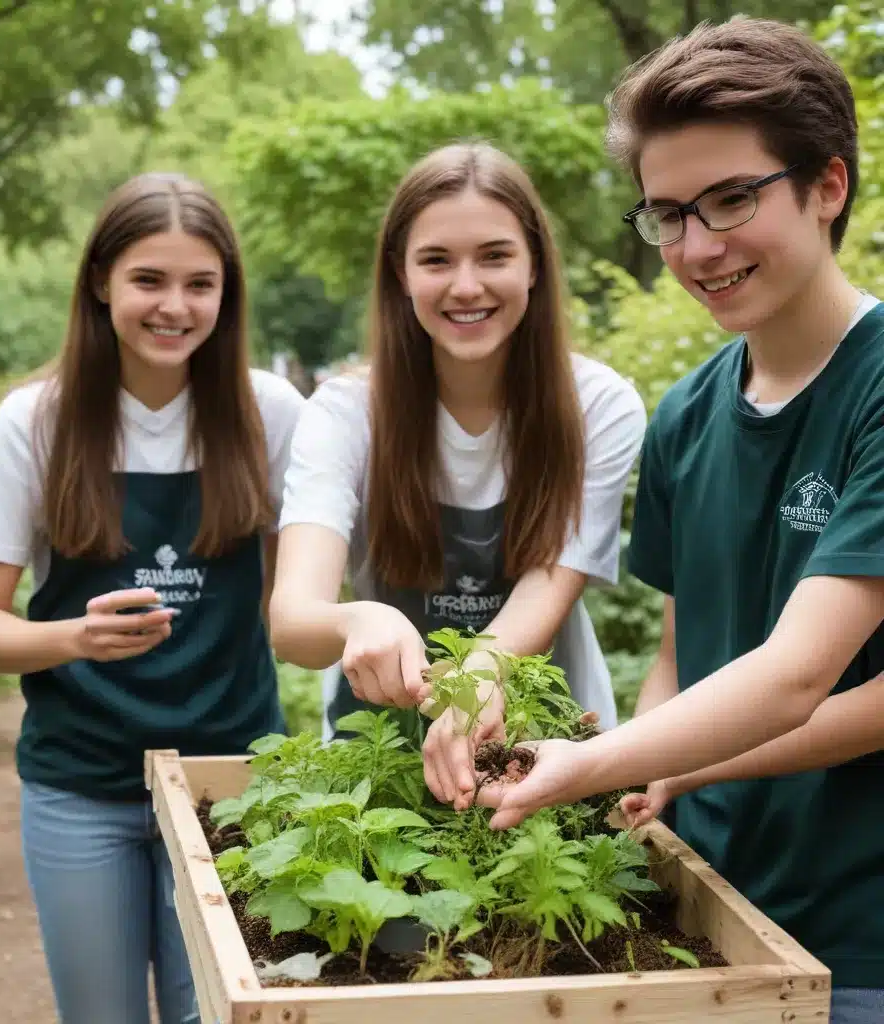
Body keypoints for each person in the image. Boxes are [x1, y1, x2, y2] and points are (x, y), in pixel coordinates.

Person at [464, 18, 884, 1021]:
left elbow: (804, 676)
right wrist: (649, 771)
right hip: (711, 906)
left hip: (860, 937)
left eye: (732, 199)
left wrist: (624, 758)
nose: (698, 247)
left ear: (827, 186)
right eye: (667, 214)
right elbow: (680, 648)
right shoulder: (688, 412)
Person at [0, 173, 304, 1024]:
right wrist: (75, 638)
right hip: (82, 784)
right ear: (101, 281)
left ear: (227, 291)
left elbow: (297, 606)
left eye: (200, 284)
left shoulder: (271, 412)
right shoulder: (37, 421)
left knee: (217, 1014)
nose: (174, 306)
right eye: (149, 280)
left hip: (232, 782)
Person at [268, 141, 647, 805]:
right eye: (436, 259)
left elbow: (549, 589)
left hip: (552, 757)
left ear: (534, 265)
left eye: (494, 256)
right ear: (400, 273)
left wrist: (475, 676)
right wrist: (358, 620)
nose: (466, 286)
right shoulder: (343, 414)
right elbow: (294, 622)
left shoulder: (599, 405)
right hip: (373, 775)